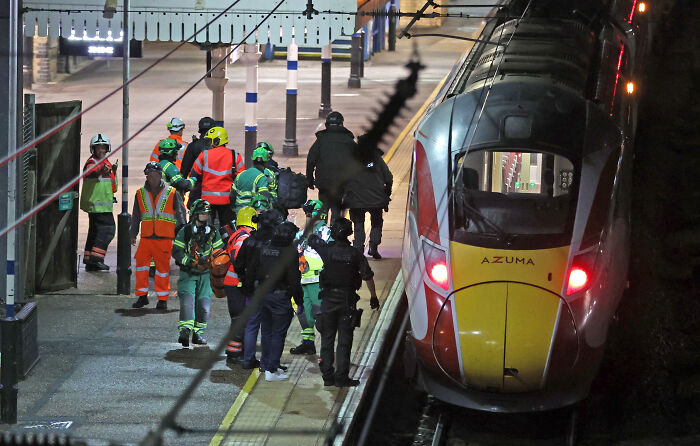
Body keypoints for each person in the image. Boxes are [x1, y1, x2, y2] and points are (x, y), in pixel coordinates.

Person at [308, 218, 379, 387]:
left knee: (327, 338)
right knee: (344, 341)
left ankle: (327, 376)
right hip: (347, 302)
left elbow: (311, 239)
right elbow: (367, 276)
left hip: (328, 301)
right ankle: (342, 378)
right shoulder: (355, 254)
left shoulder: (327, 250)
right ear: (349, 233)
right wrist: (373, 297)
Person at [247, 220, 302, 381]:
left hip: (262, 294)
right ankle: (272, 369)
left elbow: (252, 269)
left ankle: (267, 363)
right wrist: (298, 299)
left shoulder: (264, 248)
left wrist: (250, 290)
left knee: (267, 331)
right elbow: (294, 279)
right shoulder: (289, 252)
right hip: (279, 296)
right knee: (278, 333)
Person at [130, 162, 187, 310]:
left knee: (162, 270)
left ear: (160, 175)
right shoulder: (140, 193)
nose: (152, 177)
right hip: (146, 238)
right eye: (149, 175)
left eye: (155, 174)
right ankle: (142, 297)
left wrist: (182, 235)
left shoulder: (172, 192)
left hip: (164, 238)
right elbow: (136, 215)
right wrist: (133, 233)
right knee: (141, 268)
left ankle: (162, 299)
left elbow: (180, 215)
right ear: (146, 176)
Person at [233, 209, 284, 370]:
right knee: (268, 326)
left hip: (252, 288)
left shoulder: (250, 240)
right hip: (272, 289)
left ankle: (248, 360)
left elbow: (238, 264)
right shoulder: (277, 242)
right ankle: (265, 363)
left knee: (252, 324)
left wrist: (245, 279)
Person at [172, 199, 224, 347]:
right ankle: (185, 332)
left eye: (207, 213)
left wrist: (211, 263)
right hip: (188, 273)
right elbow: (177, 251)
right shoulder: (186, 231)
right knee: (188, 303)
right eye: (202, 213)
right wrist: (191, 262)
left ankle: (198, 333)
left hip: (206, 274)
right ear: (195, 214)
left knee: (203, 305)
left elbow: (219, 251)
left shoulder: (213, 232)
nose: (205, 216)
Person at [289, 200, 331, 355]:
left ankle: (327, 347)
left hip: (317, 280)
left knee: (320, 315)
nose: (308, 216)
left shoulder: (327, 232)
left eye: (309, 213)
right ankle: (308, 342)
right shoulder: (303, 232)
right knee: (302, 312)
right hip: (302, 280)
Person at [306, 111, 361, 224]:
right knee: (336, 209)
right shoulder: (348, 141)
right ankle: (334, 234)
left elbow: (311, 160)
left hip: (324, 182)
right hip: (341, 183)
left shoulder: (321, 140)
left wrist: (310, 180)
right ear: (341, 124)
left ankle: (322, 233)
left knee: (323, 209)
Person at [343, 147, 393, 259]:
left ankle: (358, 248)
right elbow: (388, 177)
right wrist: (387, 191)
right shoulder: (377, 160)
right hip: (376, 199)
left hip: (356, 200)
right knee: (376, 222)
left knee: (358, 223)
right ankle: (373, 247)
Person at [189, 126, 244, 227]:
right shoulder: (235, 156)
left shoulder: (203, 155)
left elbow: (193, 175)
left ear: (217, 141)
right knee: (228, 229)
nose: (209, 144)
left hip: (207, 201)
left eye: (210, 141)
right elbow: (241, 179)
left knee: (207, 229)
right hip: (227, 201)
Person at [223, 206, 257, 364]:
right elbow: (236, 256)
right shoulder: (244, 236)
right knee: (240, 319)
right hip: (236, 283)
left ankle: (235, 351)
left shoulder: (237, 233)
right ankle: (234, 353)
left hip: (232, 282)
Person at [80, 133, 118, 271]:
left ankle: (90, 260)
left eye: (103, 147)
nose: (101, 150)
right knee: (107, 230)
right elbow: (90, 172)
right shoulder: (93, 162)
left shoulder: (104, 162)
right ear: (93, 149)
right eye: (98, 148)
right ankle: (97, 259)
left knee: (95, 231)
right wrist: (101, 170)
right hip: (98, 205)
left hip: (99, 204)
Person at [181, 116, 217, 203]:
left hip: (197, 187)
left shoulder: (193, 146)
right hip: (215, 186)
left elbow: (185, 168)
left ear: (200, 129)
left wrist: (182, 188)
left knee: (195, 209)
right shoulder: (217, 146)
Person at [231, 146, 275, 214]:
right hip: (252, 213)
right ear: (266, 162)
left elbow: (232, 195)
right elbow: (264, 194)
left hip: (239, 212)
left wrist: (234, 208)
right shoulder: (261, 177)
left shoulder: (240, 175)